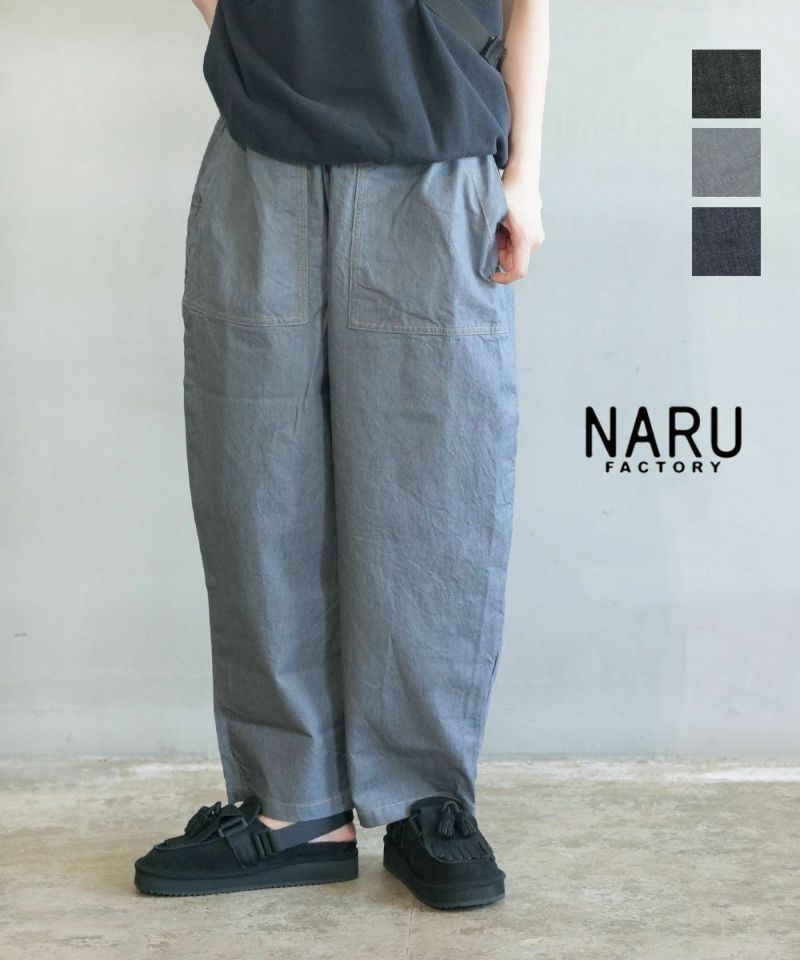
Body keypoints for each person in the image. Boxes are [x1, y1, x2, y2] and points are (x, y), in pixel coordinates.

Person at [134, 0, 548, 910]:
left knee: (434, 492)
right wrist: (257, 33)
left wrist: (525, 176)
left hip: (438, 161)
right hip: (262, 158)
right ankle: (294, 808)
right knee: (256, 483)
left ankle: (428, 803)